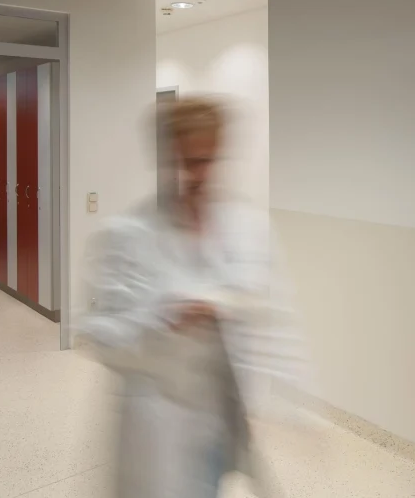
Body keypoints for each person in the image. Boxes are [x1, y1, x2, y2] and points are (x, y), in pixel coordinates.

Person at [81, 97, 307, 498]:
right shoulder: (128, 236)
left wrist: (293, 405)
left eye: (206, 161)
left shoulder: (246, 228)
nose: (195, 174)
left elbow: (273, 315)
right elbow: (98, 333)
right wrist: (163, 319)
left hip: (217, 423)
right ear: (166, 159)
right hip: (159, 428)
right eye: (186, 161)